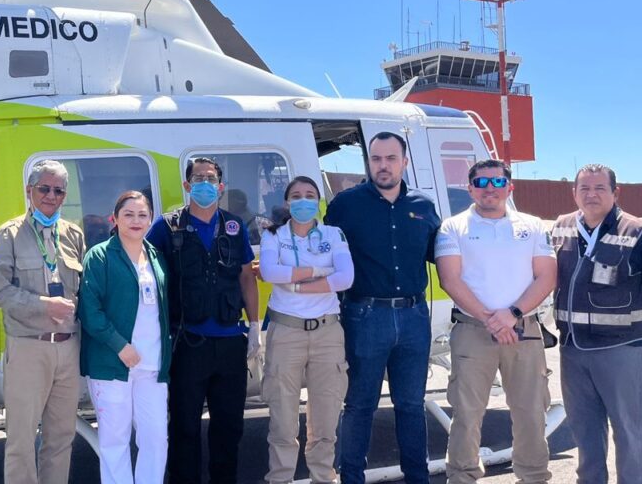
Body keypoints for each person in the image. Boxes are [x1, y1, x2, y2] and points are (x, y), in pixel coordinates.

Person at [324, 131, 440, 484]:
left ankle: (417, 478)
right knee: (360, 405)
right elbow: (322, 250)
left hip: (413, 317)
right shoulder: (345, 205)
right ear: (369, 162)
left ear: (404, 162)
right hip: (365, 316)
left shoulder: (423, 206)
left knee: (410, 405)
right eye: (376, 159)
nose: (383, 165)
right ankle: (352, 478)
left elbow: (445, 257)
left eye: (391, 158)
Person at [550, 164, 642, 484]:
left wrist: (641, 327)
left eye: (599, 188)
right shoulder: (561, 227)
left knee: (629, 430)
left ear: (615, 192)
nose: (591, 195)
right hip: (573, 349)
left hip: (620, 348)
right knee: (585, 429)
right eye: (584, 189)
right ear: (574, 192)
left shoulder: (638, 232)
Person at [434, 159, 557, 484]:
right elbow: (450, 279)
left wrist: (511, 314)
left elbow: (546, 276)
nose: (491, 188)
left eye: (498, 182)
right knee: (466, 415)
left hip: (524, 330)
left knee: (531, 413)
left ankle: (533, 477)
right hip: (473, 332)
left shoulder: (532, 226)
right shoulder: (452, 227)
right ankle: (462, 477)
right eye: (482, 182)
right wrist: (491, 319)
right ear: (470, 188)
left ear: (510, 187)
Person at [147, 156, 262, 484]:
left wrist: (254, 326)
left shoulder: (234, 225)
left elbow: (245, 278)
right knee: (183, 426)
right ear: (187, 185)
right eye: (198, 179)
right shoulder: (166, 227)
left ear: (221, 186)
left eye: (211, 179)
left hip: (229, 344)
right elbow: (147, 272)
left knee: (229, 426)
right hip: (187, 343)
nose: (205, 185)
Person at [0, 159, 87, 484]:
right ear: (30, 191)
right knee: (21, 441)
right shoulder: (9, 234)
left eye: (58, 190)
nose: (51, 196)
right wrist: (44, 305)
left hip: (68, 350)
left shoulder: (73, 234)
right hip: (29, 348)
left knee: (61, 438)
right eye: (44, 188)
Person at [257, 175, 355, 484]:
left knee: (325, 419)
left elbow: (346, 278)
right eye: (296, 196)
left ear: (318, 200)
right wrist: (319, 272)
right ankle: (280, 478)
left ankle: (323, 478)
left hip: (328, 333)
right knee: (283, 420)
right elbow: (271, 272)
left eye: (310, 195)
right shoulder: (273, 235)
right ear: (287, 203)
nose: (303, 201)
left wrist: (295, 284)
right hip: (286, 332)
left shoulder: (333, 234)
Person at [78, 191, 172, 484]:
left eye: (142, 215)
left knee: (156, 438)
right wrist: (120, 346)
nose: (136, 220)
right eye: (128, 214)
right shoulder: (100, 255)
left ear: (150, 220)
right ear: (115, 219)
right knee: (115, 442)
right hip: (113, 365)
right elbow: (89, 310)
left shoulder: (155, 256)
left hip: (152, 366)